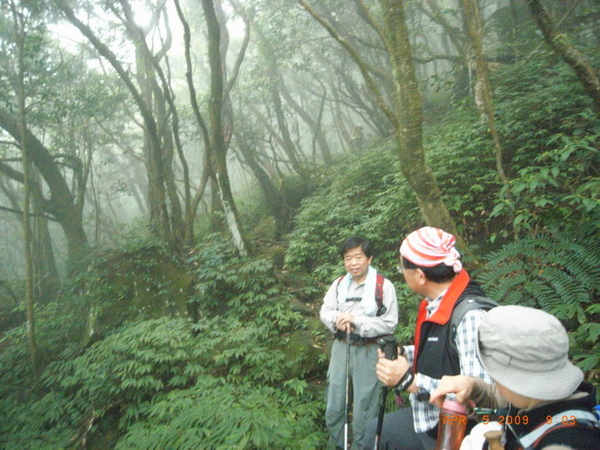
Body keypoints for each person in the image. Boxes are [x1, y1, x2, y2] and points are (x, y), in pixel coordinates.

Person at [364, 226, 493, 449]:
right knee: (376, 432)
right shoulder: (438, 304)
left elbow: (480, 398)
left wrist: (410, 382)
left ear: (420, 276)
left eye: (402, 267)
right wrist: (405, 352)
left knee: (379, 434)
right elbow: (446, 350)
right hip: (430, 418)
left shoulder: (470, 317)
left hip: (454, 434)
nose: (401, 272)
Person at [430, 305, 600, 449]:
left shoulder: (567, 442)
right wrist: (475, 389)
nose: (494, 379)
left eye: (495, 374)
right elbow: (506, 402)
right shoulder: (538, 401)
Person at [320, 236, 399, 449]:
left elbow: (389, 324)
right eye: (348, 258)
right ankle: (337, 444)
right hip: (340, 347)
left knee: (366, 404)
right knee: (335, 401)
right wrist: (337, 319)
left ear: (369, 258)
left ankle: (362, 446)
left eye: (358, 257)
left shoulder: (384, 286)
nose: (353, 263)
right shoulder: (338, 284)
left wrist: (356, 321)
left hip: (369, 349)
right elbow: (325, 311)